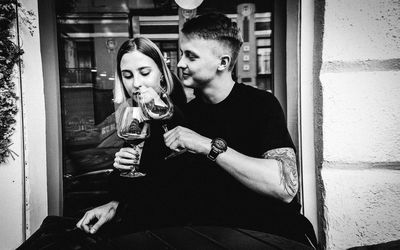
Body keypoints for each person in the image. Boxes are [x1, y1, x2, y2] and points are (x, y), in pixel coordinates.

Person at [163, 12, 317, 247]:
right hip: (212, 238)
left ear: (223, 63)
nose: (180, 63)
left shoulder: (260, 104)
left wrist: (207, 146)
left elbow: (285, 186)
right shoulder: (187, 115)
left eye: (191, 56)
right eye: (182, 54)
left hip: (273, 236)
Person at [17, 36, 187, 249]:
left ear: (162, 72)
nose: (136, 83)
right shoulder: (134, 113)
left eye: (145, 73)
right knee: (50, 227)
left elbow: (171, 184)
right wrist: (119, 175)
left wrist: (153, 103)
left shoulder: (172, 113)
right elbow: (125, 183)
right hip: (132, 215)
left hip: (160, 228)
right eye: (127, 75)